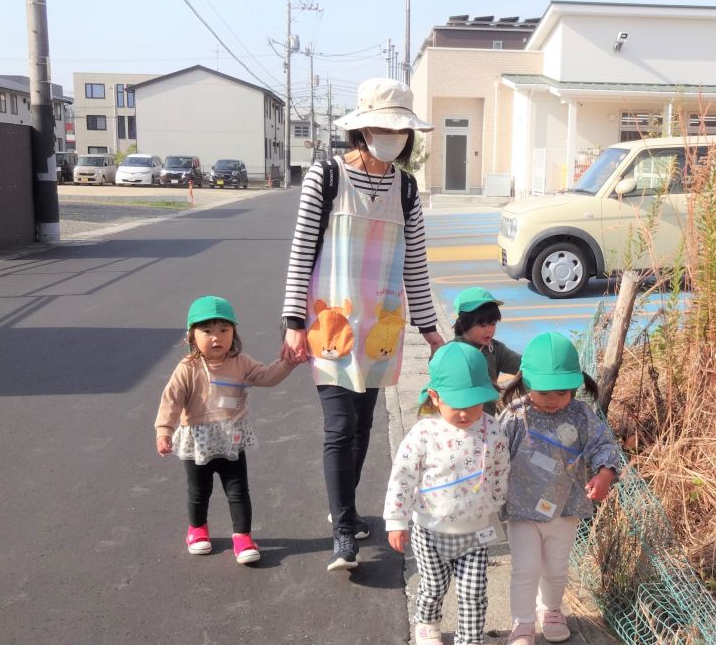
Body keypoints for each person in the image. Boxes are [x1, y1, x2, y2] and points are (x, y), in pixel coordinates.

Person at [281, 78, 444, 572]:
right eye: (382, 126)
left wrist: (431, 330)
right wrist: (292, 321)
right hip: (331, 322)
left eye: (399, 129)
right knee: (340, 424)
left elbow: (415, 263)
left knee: (365, 423)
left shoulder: (407, 187)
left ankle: (345, 511)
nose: (391, 136)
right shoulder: (325, 177)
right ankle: (342, 531)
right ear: (362, 129)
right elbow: (301, 251)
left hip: (383, 327)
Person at [384, 342, 509, 645]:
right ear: (436, 397)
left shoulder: (492, 430)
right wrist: (396, 520)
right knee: (434, 583)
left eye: (475, 403)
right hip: (429, 529)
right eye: (457, 404)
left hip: (475, 530)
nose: (467, 413)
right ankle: (427, 621)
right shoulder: (425, 433)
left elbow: (499, 470)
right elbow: (403, 477)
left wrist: (497, 506)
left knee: (473, 590)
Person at [499, 332, 623, 645]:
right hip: (522, 509)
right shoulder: (515, 415)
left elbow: (603, 445)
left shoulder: (581, 415)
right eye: (543, 391)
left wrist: (605, 473)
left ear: (576, 385)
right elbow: (494, 456)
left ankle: (551, 610)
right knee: (525, 568)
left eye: (562, 391)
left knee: (557, 566)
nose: (552, 399)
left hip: (565, 508)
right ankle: (522, 622)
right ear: (526, 382)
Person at [156, 295, 293, 565]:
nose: (216, 337)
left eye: (223, 330)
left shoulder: (241, 362)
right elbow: (171, 400)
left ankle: (242, 537)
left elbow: (267, 377)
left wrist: (289, 362)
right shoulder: (188, 368)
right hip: (198, 441)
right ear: (192, 336)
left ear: (234, 333)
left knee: (238, 489)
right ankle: (197, 530)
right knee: (199, 490)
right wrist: (164, 431)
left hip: (232, 439)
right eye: (206, 331)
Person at [452, 286, 521, 412]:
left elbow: (523, 364)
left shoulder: (495, 349)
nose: (489, 329)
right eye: (482, 324)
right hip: (459, 418)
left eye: (493, 323)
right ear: (463, 322)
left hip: (486, 421)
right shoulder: (452, 351)